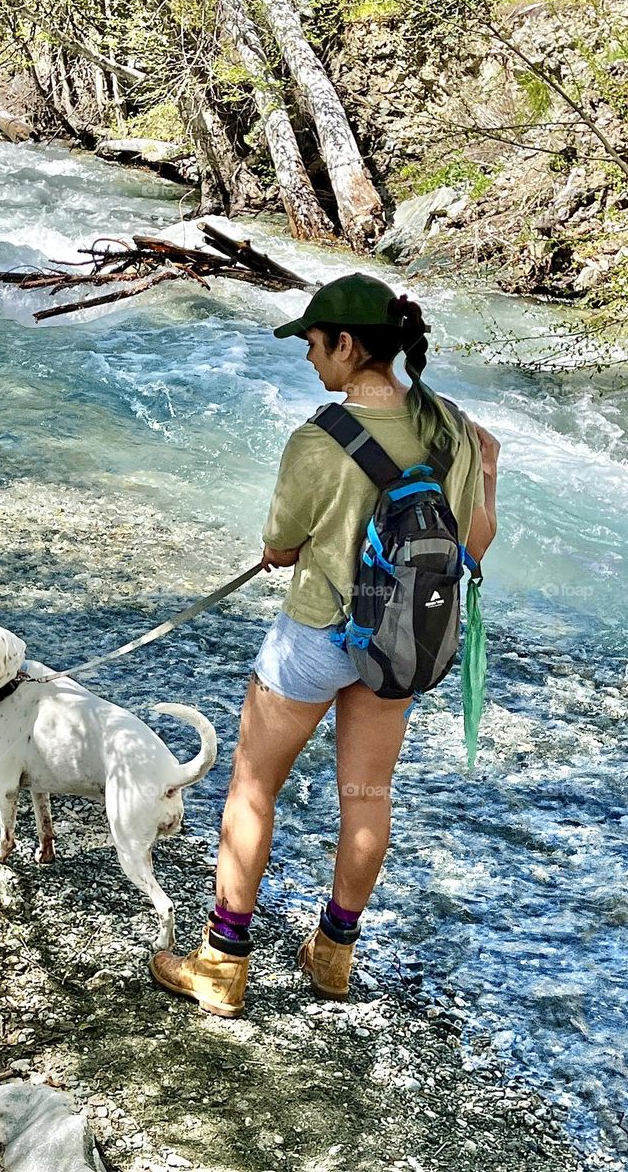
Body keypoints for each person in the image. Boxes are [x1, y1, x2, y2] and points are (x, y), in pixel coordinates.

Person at [149, 272, 500, 1017]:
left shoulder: (318, 439)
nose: (310, 358)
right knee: (368, 798)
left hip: (314, 636)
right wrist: (489, 474)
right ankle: (333, 955)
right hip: (402, 642)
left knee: (252, 789)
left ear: (347, 344)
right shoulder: (453, 432)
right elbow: (473, 545)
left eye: (314, 343)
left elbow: (280, 540)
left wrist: (289, 548)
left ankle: (221, 964)